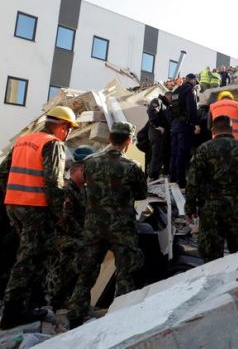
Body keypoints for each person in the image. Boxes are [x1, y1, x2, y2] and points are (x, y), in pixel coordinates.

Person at [0, 106, 77, 329]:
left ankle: (30, 303)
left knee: (32, 252)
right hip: (35, 207)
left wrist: (10, 197)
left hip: (15, 205)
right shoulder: (53, 144)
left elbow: (3, 172)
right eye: (69, 129)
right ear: (63, 127)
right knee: (29, 257)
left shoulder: (23, 140)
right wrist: (60, 213)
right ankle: (13, 312)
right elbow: (53, 182)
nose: (68, 134)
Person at [67, 122, 147, 328]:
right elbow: (141, 194)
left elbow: (85, 185)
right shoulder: (132, 166)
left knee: (86, 272)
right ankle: (119, 319)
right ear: (128, 141)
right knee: (125, 272)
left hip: (94, 227)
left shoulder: (90, 163)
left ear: (110, 139)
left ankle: (75, 316)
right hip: (122, 228)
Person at [186, 115, 238, 262]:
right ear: (231, 129)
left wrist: (190, 207)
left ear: (213, 130)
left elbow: (193, 181)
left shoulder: (203, 149)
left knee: (211, 256)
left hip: (210, 209)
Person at [49, 145, 94, 310]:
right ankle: (64, 300)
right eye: (86, 170)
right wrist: (83, 236)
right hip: (62, 236)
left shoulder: (84, 191)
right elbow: (66, 219)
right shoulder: (67, 190)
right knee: (82, 253)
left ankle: (75, 300)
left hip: (77, 235)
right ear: (77, 169)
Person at [169, 74, 200, 188]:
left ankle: (172, 178)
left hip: (175, 125)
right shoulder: (190, 90)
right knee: (182, 153)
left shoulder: (176, 91)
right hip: (184, 126)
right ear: (193, 80)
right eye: (195, 82)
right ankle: (181, 181)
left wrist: (173, 123)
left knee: (174, 153)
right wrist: (195, 123)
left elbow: (171, 109)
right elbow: (192, 108)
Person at [146, 92, 172, 180]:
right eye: (171, 98)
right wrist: (157, 126)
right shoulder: (158, 101)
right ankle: (152, 176)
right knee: (157, 154)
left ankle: (159, 174)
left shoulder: (167, 105)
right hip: (157, 132)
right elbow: (152, 112)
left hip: (163, 134)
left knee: (163, 154)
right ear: (168, 96)